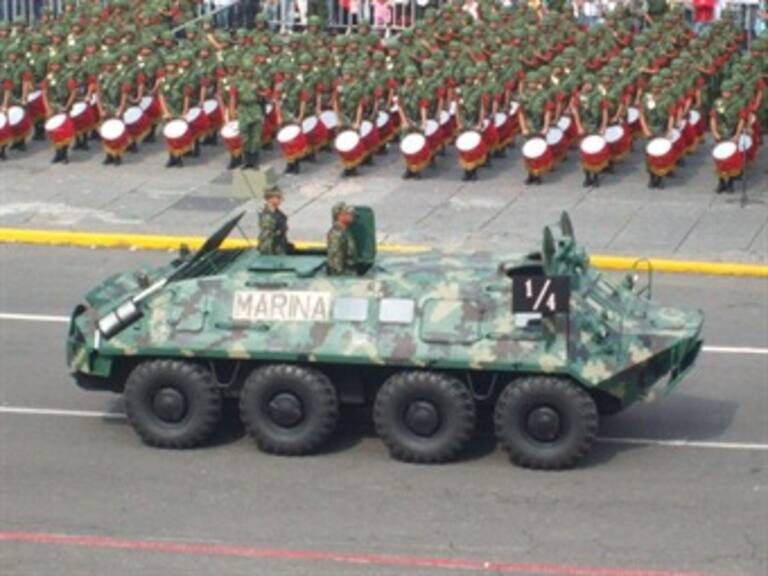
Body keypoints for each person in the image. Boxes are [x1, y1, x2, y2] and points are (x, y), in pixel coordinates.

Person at [258, 182, 291, 255]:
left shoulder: (276, 212)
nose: (281, 200)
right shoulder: (267, 218)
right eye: (278, 198)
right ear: (270, 199)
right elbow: (267, 239)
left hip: (281, 245)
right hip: (275, 251)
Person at [327, 202, 358, 276]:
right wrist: (340, 279)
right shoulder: (337, 234)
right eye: (349, 214)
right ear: (340, 216)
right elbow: (336, 261)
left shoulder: (345, 231)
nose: (352, 217)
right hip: (343, 278)